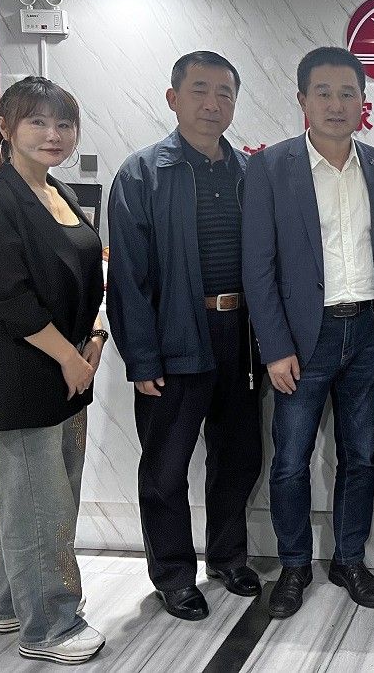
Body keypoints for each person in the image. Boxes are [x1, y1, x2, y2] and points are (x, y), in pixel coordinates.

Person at [107, 51, 262, 621]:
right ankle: (173, 576)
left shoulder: (249, 172)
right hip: (175, 337)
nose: (212, 103)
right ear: (173, 98)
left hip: (241, 338)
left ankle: (228, 558)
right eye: (199, 90)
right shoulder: (142, 174)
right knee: (166, 468)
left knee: (238, 457)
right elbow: (128, 276)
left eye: (224, 93)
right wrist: (142, 356)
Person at [242, 47, 374, 618]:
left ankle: (350, 560)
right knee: (291, 460)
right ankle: (294, 565)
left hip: (368, 332)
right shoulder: (270, 167)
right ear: (302, 99)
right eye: (324, 93)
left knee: (361, 457)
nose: (336, 104)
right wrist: (275, 347)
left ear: (363, 102)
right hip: (304, 340)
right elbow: (258, 266)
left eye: (348, 93)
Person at [0, 77, 107, 664]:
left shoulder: (59, 192)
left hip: (70, 369)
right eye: (38, 122)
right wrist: (70, 356)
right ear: (6, 127)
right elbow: (7, 297)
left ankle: (11, 605)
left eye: (63, 124)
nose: (54, 134)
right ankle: (49, 627)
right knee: (41, 506)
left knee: (42, 500)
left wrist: (92, 341)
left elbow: (89, 271)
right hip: (26, 374)